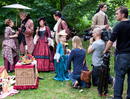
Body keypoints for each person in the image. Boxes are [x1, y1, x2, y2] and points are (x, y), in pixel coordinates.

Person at [104, 7, 130, 99]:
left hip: (123, 56)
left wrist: (105, 50)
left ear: (123, 14)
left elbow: (110, 41)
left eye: (117, 13)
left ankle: (117, 97)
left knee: (119, 76)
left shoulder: (119, 26)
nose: (116, 15)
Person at [87, 28, 108, 95]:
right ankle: (107, 79)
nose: (92, 34)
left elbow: (88, 51)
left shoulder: (96, 43)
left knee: (95, 83)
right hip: (101, 63)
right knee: (100, 79)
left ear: (96, 34)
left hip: (96, 65)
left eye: (93, 33)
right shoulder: (102, 42)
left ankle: (109, 80)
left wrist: (90, 42)